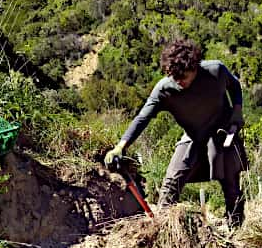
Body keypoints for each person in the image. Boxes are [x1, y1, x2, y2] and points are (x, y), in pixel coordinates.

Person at [105, 38, 248, 227]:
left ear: (195, 68)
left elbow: (235, 85)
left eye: (184, 77)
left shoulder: (216, 71)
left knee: (231, 182)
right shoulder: (164, 90)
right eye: (175, 77)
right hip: (193, 135)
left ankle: (236, 228)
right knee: (172, 181)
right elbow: (142, 118)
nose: (179, 82)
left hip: (221, 133)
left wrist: (237, 111)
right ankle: (165, 228)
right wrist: (120, 147)